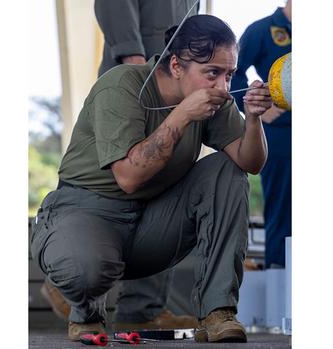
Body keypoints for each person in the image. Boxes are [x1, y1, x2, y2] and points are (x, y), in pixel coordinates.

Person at [30, 14, 272, 343]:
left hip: (152, 222)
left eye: (229, 74)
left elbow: (249, 162)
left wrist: (254, 121)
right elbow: (129, 177)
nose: (223, 87)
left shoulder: (214, 99)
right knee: (83, 270)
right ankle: (84, 308)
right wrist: (183, 115)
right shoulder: (122, 85)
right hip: (88, 212)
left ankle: (218, 312)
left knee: (228, 172)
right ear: (175, 65)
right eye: (212, 73)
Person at [231, 0, 291, 269]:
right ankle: (280, 279)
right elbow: (231, 74)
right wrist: (257, 108)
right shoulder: (263, 30)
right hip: (280, 137)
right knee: (282, 209)